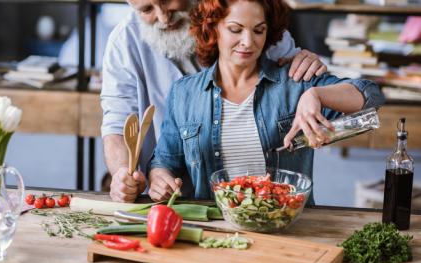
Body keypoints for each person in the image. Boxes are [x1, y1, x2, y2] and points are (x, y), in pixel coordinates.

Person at [147, 0, 385, 203]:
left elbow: (371, 95)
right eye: (235, 29)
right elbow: (164, 162)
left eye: (258, 30)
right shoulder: (184, 93)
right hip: (216, 230)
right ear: (213, 28)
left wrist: (316, 94)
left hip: (287, 226)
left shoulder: (295, 82)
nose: (248, 42)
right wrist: (159, 179)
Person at [101, 0, 328, 202]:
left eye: (168, 1)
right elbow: (118, 122)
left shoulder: (241, 13)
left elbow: (293, 72)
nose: (163, 18)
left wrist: (306, 68)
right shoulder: (124, 41)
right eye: (147, 10)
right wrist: (123, 173)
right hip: (171, 197)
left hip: (257, 194)